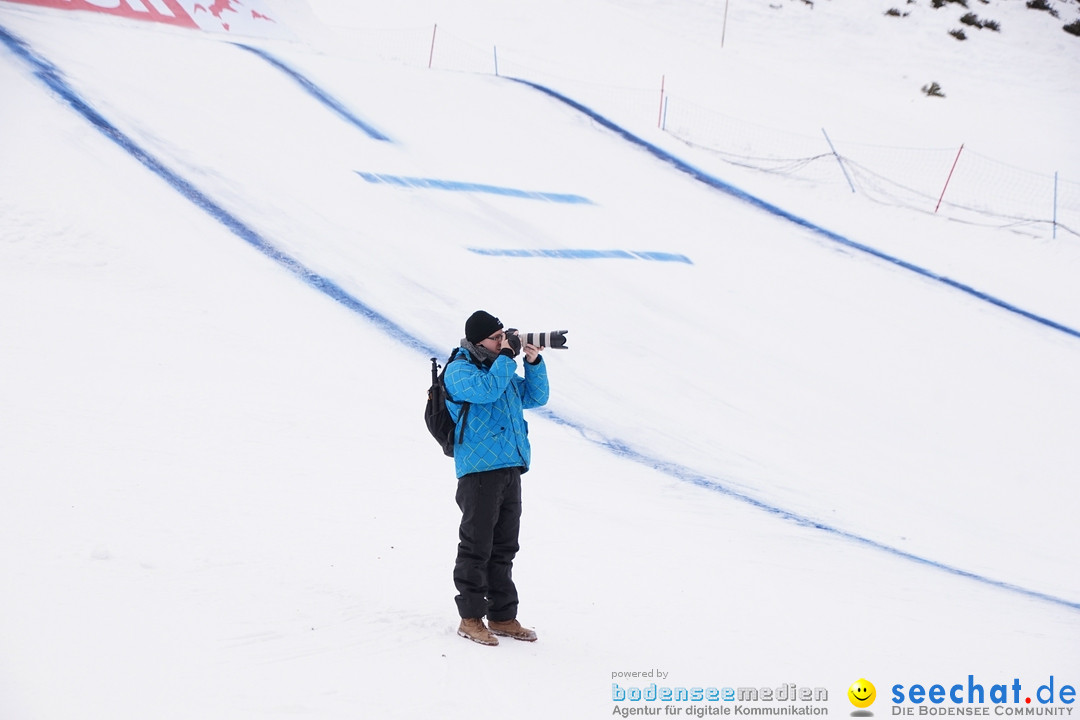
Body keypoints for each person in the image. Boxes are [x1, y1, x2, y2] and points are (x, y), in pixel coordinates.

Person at [444, 310, 550, 646]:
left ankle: (503, 617)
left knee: (504, 547)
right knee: (477, 547)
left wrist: (532, 362)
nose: (503, 341)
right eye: (496, 336)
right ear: (478, 341)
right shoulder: (459, 370)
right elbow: (487, 391)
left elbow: (535, 397)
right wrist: (507, 356)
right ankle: (470, 618)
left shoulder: (500, 370)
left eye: (504, 336)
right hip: (478, 470)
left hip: (509, 467)